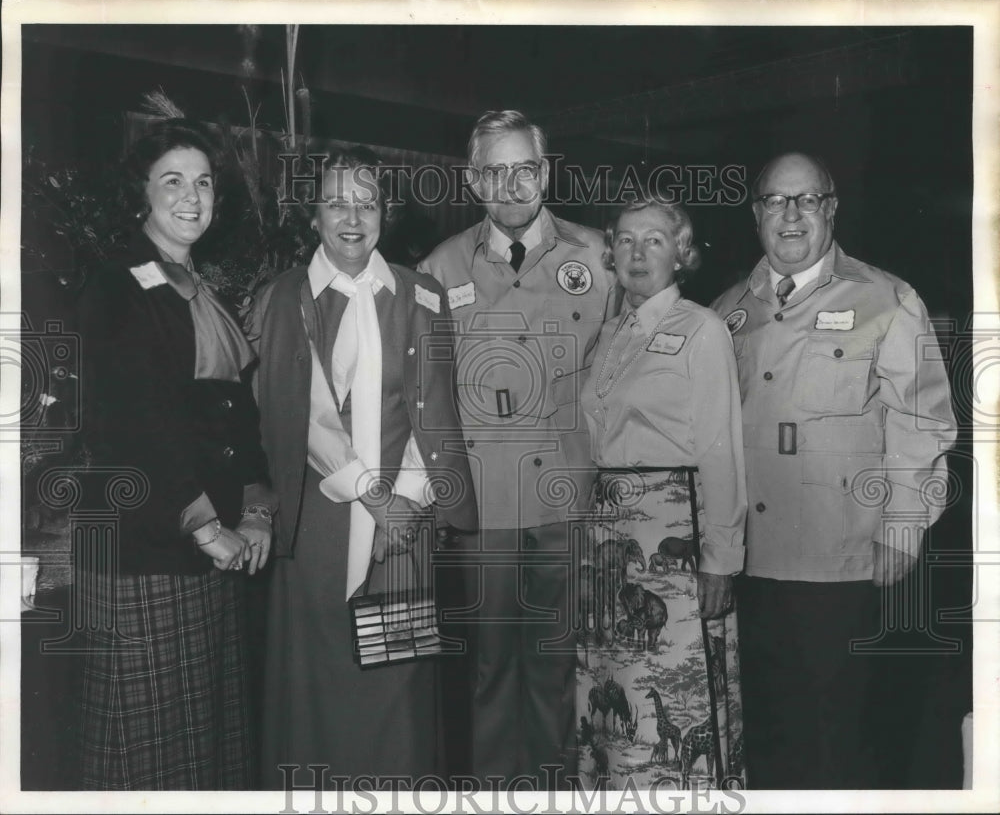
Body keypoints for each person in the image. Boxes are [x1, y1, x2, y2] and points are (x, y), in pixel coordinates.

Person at [711, 152, 957, 788]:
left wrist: (904, 528)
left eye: (806, 200)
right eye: (775, 201)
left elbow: (923, 422)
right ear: (756, 213)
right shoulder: (726, 309)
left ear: (831, 209)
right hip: (748, 562)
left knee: (838, 738)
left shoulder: (887, 298)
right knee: (759, 732)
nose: (790, 215)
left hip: (840, 560)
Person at [248, 145, 478, 789]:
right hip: (320, 514)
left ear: (386, 213)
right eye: (336, 202)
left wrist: (404, 499)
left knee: (399, 679)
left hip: (407, 519)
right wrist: (369, 493)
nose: (353, 217)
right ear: (313, 216)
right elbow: (295, 413)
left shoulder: (422, 293)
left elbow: (435, 406)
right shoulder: (286, 296)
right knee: (321, 677)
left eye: (367, 202)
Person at [417, 110, 615, 786]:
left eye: (524, 167)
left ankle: (557, 789)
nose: (511, 184)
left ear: (546, 172)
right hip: (483, 502)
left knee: (563, 664)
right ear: (474, 180)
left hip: (569, 496)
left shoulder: (599, 256)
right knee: (489, 667)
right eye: (494, 170)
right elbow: (424, 393)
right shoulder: (441, 267)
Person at [77, 118, 276, 789]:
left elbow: (238, 421)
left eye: (204, 182)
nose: (192, 197)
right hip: (150, 552)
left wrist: (255, 513)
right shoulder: (118, 288)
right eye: (173, 182)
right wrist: (204, 524)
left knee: (202, 757)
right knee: (149, 765)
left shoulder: (200, 289)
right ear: (142, 195)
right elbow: (131, 428)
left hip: (209, 554)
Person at [575, 197, 747, 789]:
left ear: (682, 253)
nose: (638, 252)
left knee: (677, 684)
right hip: (610, 530)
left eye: (654, 240)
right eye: (625, 240)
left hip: (673, 526)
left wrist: (721, 558)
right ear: (610, 252)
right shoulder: (609, 332)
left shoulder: (703, 329)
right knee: (613, 687)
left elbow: (722, 448)